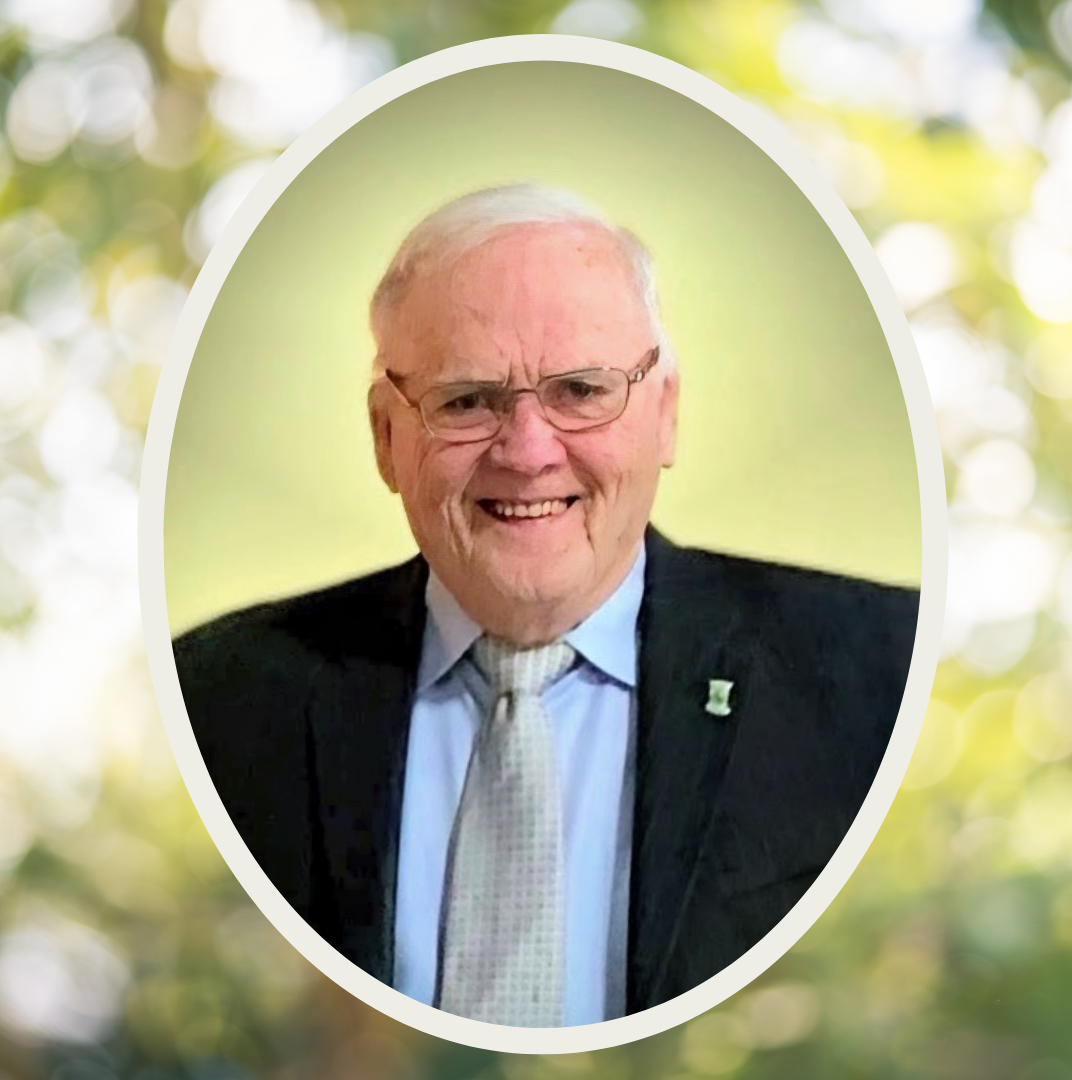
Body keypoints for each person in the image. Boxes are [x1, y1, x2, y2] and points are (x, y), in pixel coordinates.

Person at [174, 184, 919, 1028]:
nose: (527, 452)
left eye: (580, 390)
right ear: (387, 436)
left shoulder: (884, 678)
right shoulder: (214, 701)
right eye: (466, 400)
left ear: (664, 411)